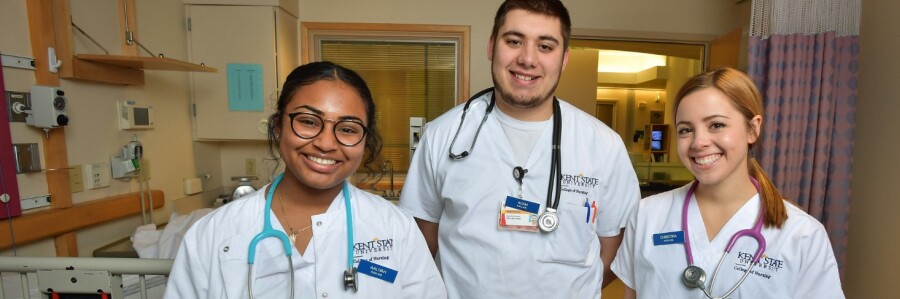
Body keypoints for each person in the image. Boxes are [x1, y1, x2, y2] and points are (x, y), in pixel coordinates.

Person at [398, 1, 641, 298]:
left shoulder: (603, 145)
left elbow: (613, 248)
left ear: (564, 59)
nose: (527, 59)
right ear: (491, 47)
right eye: (514, 41)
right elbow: (421, 245)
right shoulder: (443, 136)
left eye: (545, 46)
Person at [166, 61, 447, 298]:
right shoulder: (213, 234)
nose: (326, 144)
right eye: (309, 122)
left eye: (347, 129)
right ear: (278, 127)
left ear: (364, 141)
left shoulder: (395, 228)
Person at [611, 67, 845, 298]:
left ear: (753, 129)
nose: (699, 141)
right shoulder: (648, 215)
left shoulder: (801, 234)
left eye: (716, 125)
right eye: (686, 129)